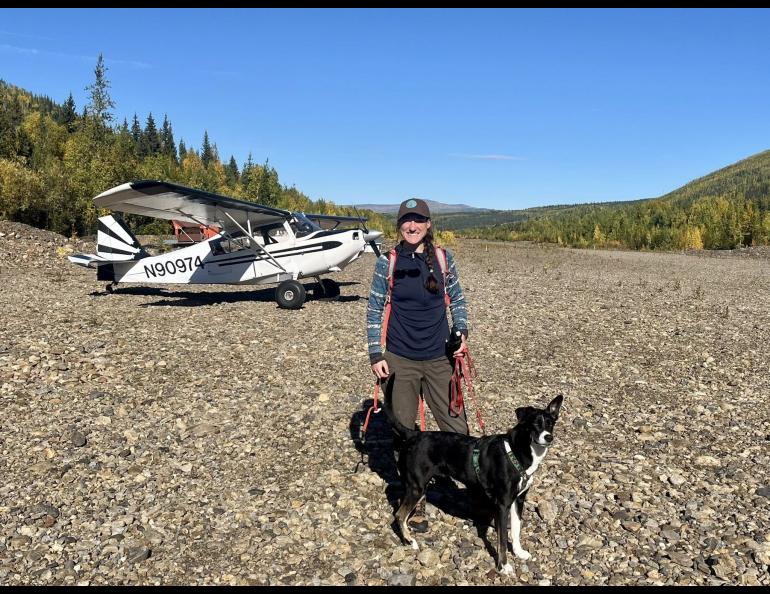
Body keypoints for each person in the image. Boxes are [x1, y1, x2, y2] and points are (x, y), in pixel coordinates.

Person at [366, 197, 470, 532]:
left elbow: (458, 300)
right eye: (406, 221)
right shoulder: (388, 261)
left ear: (428, 225)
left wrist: (462, 331)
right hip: (400, 359)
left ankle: (473, 492)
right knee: (405, 434)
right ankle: (416, 497)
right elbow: (374, 308)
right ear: (400, 226)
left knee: (457, 428)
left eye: (418, 221)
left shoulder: (443, 258)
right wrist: (375, 353)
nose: (411, 226)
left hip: (440, 358)